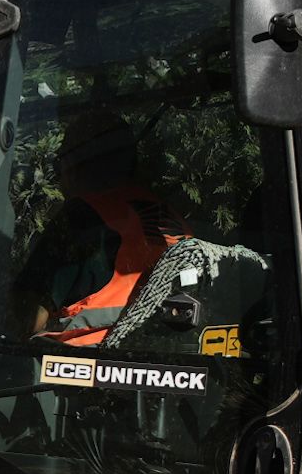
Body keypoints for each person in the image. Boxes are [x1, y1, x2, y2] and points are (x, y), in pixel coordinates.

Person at [24, 112, 187, 349]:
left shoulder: (83, 217)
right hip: (166, 366)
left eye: (59, 165)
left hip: (86, 372)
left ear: (74, 164)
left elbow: (28, 320)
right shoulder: (172, 219)